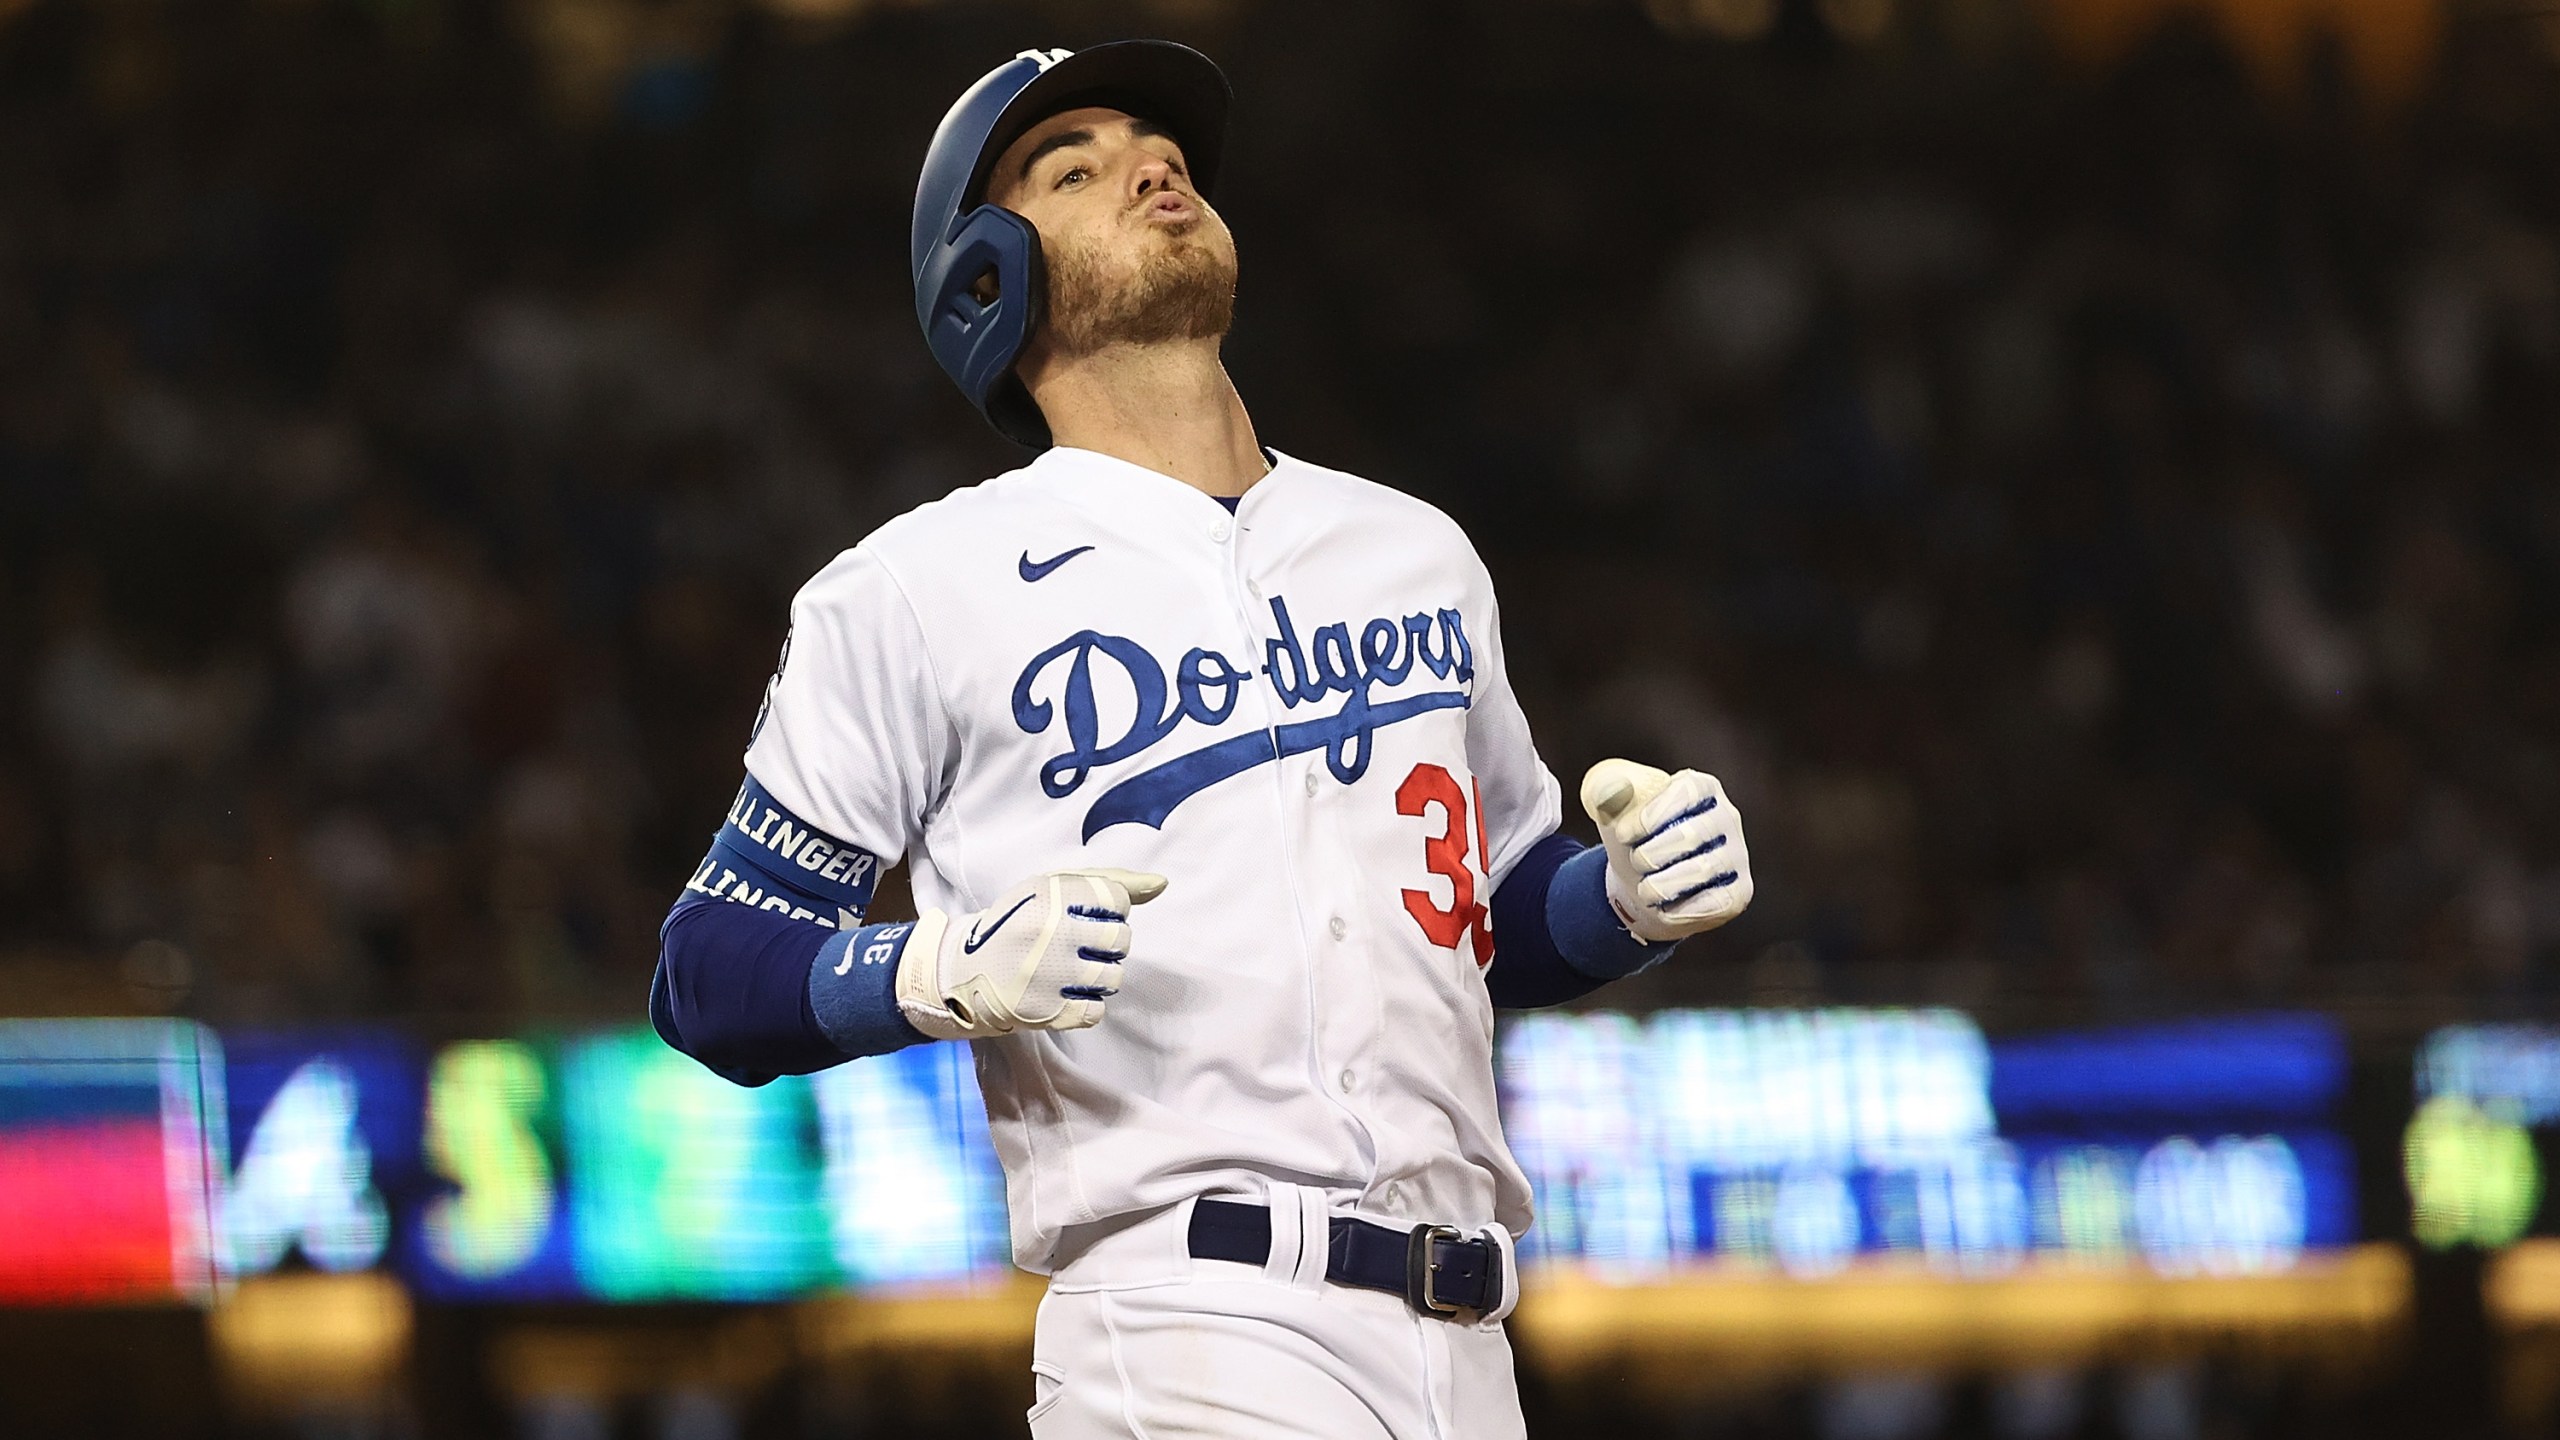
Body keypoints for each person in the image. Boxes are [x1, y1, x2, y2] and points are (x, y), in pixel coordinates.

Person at [648, 41, 1754, 1439]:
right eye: (1075, 166)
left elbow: (1487, 925)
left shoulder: (1411, 551)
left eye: (1155, 147)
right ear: (988, 278)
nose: (1149, 164)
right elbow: (709, 969)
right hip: (1185, 1327)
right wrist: (936, 969)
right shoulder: (915, 590)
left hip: (1472, 1341)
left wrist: (1622, 899)